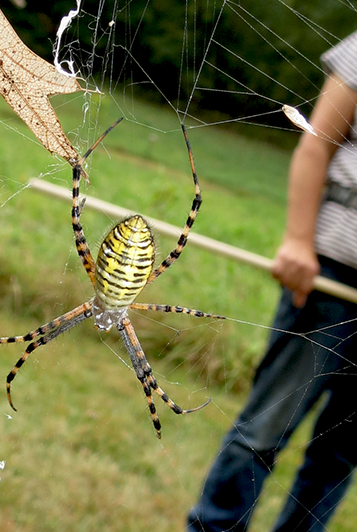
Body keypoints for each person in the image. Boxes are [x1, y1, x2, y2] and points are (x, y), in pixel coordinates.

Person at [187, 31, 357, 532]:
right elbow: (315, 146)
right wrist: (298, 241)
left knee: (341, 453)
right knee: (266, 430)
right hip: (329, 276)